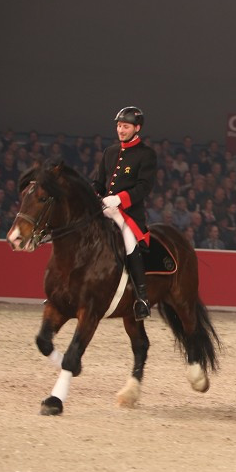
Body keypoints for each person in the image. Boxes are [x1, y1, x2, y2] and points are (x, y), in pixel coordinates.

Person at [93, 106, 156, 320]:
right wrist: (93, 195)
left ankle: (142, 298)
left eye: (126, 126)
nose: (121, 130)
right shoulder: (109, 152)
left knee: (129, 244)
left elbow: (144, 187)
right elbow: (99, 182)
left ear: (137, 128)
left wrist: (120, 199)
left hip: (127, 214)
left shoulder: (146, 154)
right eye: (119, 126)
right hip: (104, 209)